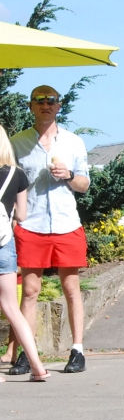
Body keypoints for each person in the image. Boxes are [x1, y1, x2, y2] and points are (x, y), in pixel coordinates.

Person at [8, 86, 91, 375]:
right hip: (31, 225)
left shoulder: (73, 142)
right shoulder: (17, 143)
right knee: (29, 291)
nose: (46, 105)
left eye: (51, 101)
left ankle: (77, 350)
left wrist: (68, 175)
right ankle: (25, 354)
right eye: (40, 101)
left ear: (59, 106)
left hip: (67, 223)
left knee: (71, 288)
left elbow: (84, 184)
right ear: (31, 106)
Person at [0, 126, 50, 382]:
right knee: (12, 307)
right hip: (4, 244)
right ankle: (38, 367)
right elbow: (21, 215)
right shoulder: (17, 175)